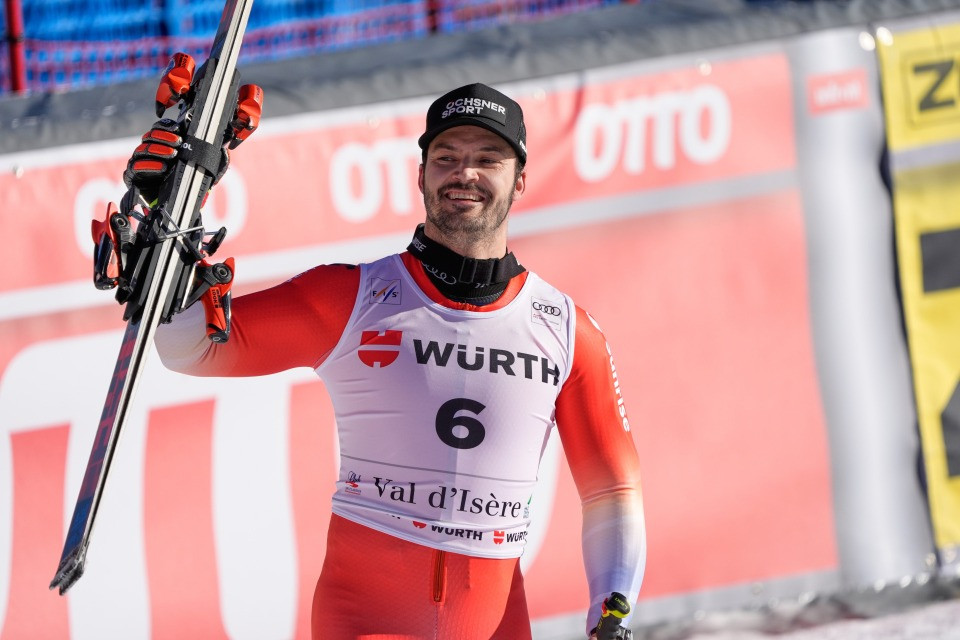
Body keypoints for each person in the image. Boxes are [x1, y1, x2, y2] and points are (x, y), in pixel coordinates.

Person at [132, 82, 646, 639]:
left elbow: (612, 488)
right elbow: (187, 347)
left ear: (520, 180)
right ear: (420, 175)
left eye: (487, 159)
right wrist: (167, 217)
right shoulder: (351, 297)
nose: (464, 173)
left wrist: (612, 609)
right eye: (446, 157)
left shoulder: (566, 330)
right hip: (366, 619)